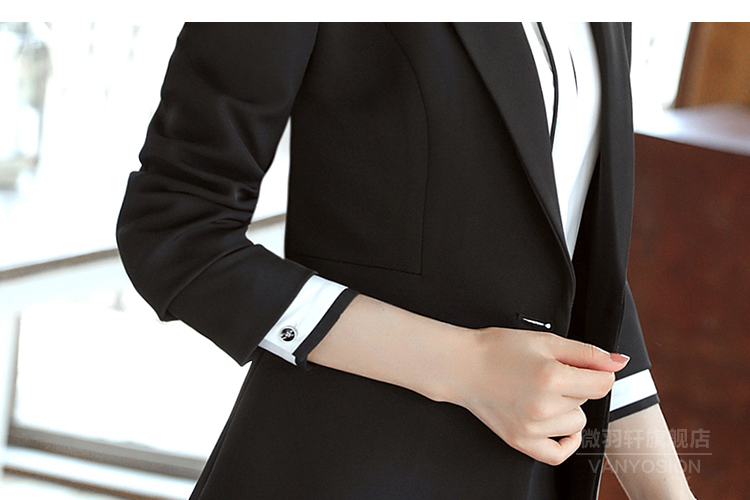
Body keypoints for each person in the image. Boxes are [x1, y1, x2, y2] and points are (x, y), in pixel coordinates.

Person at [116, 22, 695, 499]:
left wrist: (667, 493)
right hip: (343, 468)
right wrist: (467, 367)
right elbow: (175, 229)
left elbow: (572, 264)